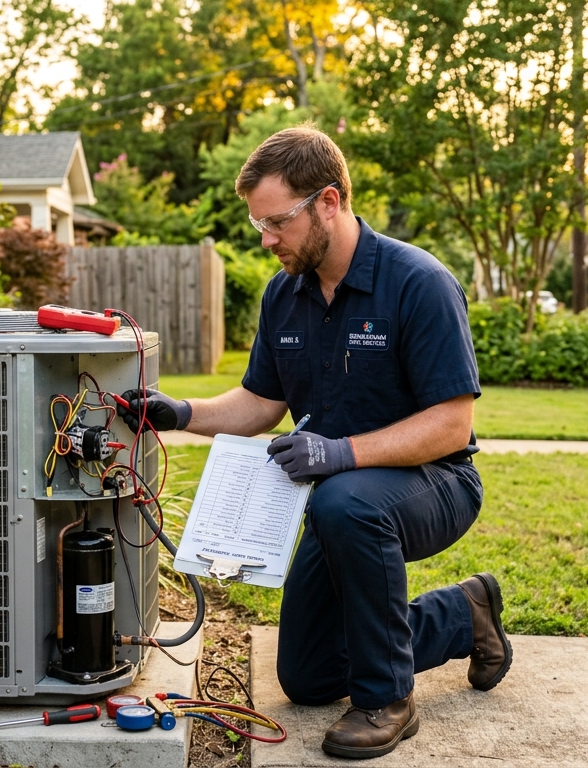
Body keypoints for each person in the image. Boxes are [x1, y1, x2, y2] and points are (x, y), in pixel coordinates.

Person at [115, 126, 510, 760]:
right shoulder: (285, 294)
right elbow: (260, 403)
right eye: (259, 224)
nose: (266, 239)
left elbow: (451, 425)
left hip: (437, 482)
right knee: (307, 675)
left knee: (344, 501)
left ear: (328, 201)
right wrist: (179, 412)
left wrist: (339, 453)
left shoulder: (418, 282)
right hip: (341, 504)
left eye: (277, 222)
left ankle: (388, 700)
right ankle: (464, 615)